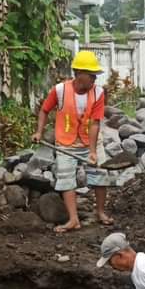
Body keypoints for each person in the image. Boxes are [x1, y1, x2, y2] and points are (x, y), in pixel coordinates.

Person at [33, 50, 112, 233]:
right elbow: (44, 110)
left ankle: (100, 212)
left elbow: (94, 123)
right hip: (65, 142)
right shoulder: (60, 90)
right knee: (67, 179)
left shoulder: (98, 93)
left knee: (101, 174)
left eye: (95, 76)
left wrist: (92, 151)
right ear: (78, 73)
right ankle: (73, 219)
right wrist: (39, 132)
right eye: (91, 75)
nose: (94, 79)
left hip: (90, 141)